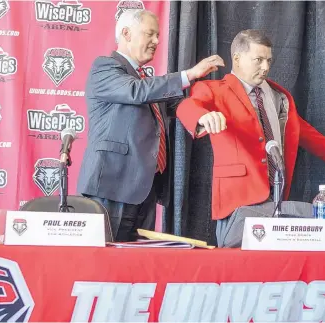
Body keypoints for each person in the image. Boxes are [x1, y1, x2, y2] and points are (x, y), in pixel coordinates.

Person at [176, 29, 325, 244]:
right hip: (237, 203)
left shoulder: (276, 95)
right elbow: (188, 106)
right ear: (237, 58)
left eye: (269, 60)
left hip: (276, 197)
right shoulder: (214, 89)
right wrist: (202, 117)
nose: (266, 67)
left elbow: (300, 129)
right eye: (258, 60)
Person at [76, 9, 225, 242]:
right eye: (150, 34)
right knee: (106, 263)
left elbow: (176, 105)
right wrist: (190, 74)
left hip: (143, 189)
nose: (156, 41)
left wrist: (200, 117)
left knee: (135, 265)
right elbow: (135, 92)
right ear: (126, 33)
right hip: (111, 188)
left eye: (158, 35)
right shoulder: (105, 67)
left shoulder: (146, 79)